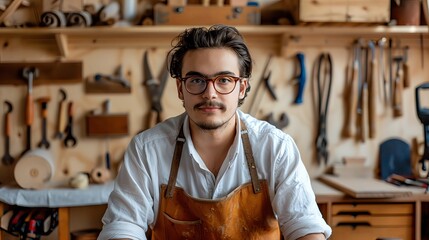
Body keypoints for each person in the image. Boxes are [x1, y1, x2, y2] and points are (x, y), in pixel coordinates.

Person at [98, 24, 332, 240]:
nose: (210, 93)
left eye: (224, 80)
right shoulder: (146, 150)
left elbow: (305, 226)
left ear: (241, 87)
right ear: (181, 88)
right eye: (197, 80)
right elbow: (123, 227)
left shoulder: (276, 147)